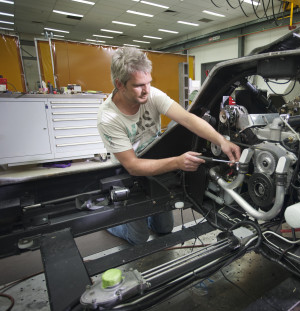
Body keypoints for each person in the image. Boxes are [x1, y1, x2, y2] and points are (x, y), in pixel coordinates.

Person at [97, 47, 240, 245]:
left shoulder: (151, 94)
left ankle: (140, 216)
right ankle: (112, 222)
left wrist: (221, 141)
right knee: (139, 237)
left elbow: (188, 119)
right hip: (129, 172)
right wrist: (177, 162)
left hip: (156, 161)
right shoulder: (108, 118)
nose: (147, 90)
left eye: (148, 82)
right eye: (139, 85)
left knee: (164, 229)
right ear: (119, 85)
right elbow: (132, 165)